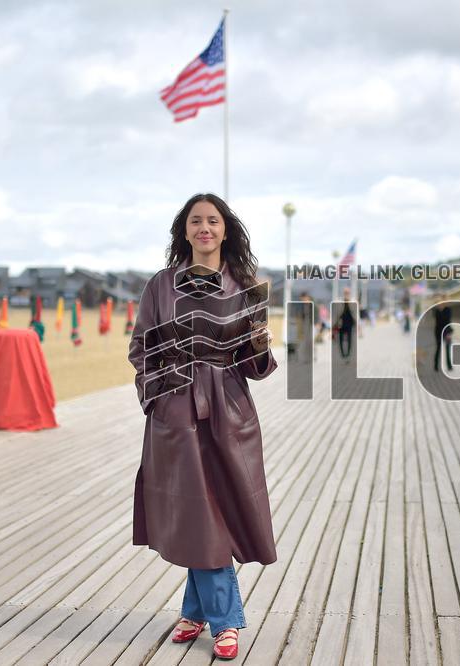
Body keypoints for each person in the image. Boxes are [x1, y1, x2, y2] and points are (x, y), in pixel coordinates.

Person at [127, 193, 277, 660]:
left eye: (212, 221)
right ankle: (223, 619)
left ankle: (196, 610)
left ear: (225, 230)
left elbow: (255, 367)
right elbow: (141, 348)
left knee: (216, 507)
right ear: (185, 231)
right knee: (198, 509)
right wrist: (161, 399)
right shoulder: (161, 285)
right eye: (196, 221)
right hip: (175, 408)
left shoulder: (247, 288)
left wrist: (257, 341)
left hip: (229, 409)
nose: (204, 228)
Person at [334, 286, 356, 362]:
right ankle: (343, 355)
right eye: (345, 292)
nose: (346, 294)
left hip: (350, 324)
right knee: (340, 340)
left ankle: (348, 355)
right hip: (341, 324)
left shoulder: (353, 301)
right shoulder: (340, 301)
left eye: (347, 292)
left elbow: (356, 314)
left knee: (350, 340)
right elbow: (336, 313)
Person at [432, 295, 453, 372]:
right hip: (438, 331)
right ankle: (436, 365)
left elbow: (448, 321)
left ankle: (449, 366)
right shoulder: (436, 310)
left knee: (447, 348)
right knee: (438, 348)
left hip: (447, 331)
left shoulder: (448, 309)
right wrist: (439, 308)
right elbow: (438, 321)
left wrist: (448, 333)